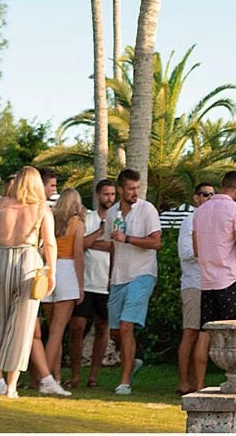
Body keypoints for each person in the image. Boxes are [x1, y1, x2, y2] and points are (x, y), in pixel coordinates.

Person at [0, 166, 61, 399]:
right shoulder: (41, 208)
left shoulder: (3, 205)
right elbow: (50, 244)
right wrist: (51, 272)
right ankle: (11, 385)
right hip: (28, 259)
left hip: (3, 259)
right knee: (23, 327)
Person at [191, 172, 236, 391]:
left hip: (207, 280)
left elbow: (196, 249)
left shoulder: (200, 211)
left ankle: (199, 385)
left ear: (221, 186)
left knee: (205, 333)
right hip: (230, 278)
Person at [105, 168, 164, 396]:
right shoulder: (112, 214)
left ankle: (124, 382)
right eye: (130, 188)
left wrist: (127, 238)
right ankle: (133, 362)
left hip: (143, 273)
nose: (135, 192)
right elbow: (112, 247)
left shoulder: (147, 209)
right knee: (115, 332)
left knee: (127, 326)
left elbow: (156, 242)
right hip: (119, 277)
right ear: (120, 189)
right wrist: (109, 278)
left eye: (137, 188)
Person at [40, 188, 86, 392]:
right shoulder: (78, 224)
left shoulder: (51, 220)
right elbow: (78, 255)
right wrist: (81, 285)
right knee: (58, 333)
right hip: (67, 272)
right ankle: (47, 379)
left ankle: (53, 376)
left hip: (49, 269)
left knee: (50, 332)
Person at [76, 177, 118, 391]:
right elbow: (81, 244)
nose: (109, 198)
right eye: (106, 194)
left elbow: (116, 248)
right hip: (86, 282)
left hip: (107, 284)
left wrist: (94, 244)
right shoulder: (88, 218)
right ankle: (74, 375)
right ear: (98, 196)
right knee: (78, 327)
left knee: (103, 328)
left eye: (112, 194)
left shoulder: (120, 219)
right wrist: (100, 233)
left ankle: (93, 376)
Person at [177, 180, 214, 390]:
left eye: (212, 195)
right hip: (193, 283)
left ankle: (196, 382)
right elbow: (186, 253)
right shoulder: (190, 221)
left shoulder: (212, 221)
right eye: (205, 194)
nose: (209, 198)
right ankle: (183, 383)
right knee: (190, 332)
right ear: (196, 198)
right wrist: (207, 249)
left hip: (210, 283)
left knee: (204, 334)